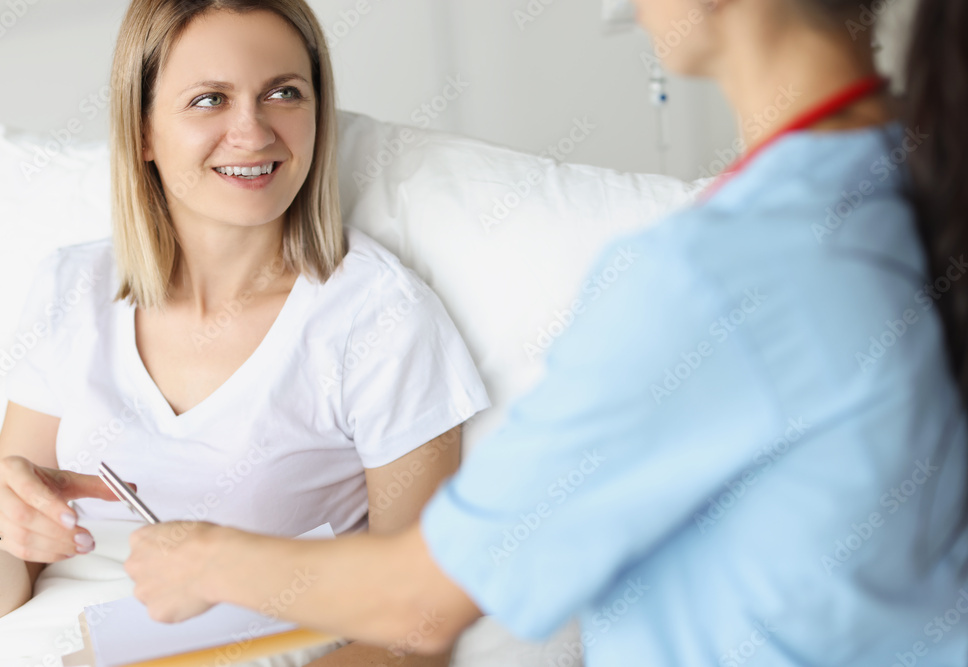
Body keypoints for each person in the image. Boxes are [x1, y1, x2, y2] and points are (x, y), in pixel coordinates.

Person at [122, 0, 968, 663]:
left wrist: (202, 560)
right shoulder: (897, 178)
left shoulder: (712, 275)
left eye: (282, 91)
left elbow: (422, 602)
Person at [0, 1, 491, 665]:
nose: (252, 131)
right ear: (143, 133)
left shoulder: (378, 319)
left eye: (284, 94)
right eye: (210, 99)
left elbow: (419, 628)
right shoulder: (73, 286)